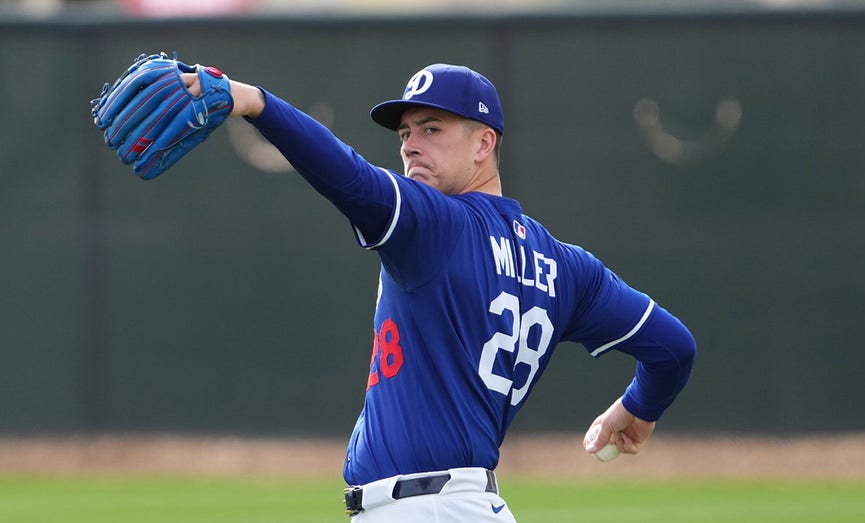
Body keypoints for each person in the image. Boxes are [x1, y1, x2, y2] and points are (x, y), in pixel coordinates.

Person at [184, 63, 697, 522]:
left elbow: (349, 176)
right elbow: (673, 348)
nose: (410, 144)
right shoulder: (568, 268)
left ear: (483, 143)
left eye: (433, 128)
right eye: (406, 132)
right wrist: (638, 407)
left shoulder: (436, 226)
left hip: (423, 510)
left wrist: (254, 103)